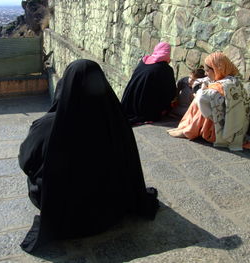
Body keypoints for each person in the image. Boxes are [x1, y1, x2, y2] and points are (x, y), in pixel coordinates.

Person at [18, 59, 159, 253]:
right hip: (111, 208)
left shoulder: (47, 126)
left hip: (64, 209)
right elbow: (129, 163)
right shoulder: (116, 121)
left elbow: (26, 162)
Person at [168, 52, 250, 151]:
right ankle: (187, 128)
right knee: (203, 98)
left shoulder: (227, 84)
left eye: (207, 71)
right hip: (225, 121)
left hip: (223, 128)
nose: (206, 73)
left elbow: (203, 98)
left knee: (201, 99)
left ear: (217, 69)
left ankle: (189, 130)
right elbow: (201, 82)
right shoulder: (227, 78)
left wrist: (201, 91)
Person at [121, 42, 176, 126]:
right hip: (145, 108)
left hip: (130, 101)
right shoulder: (166, 69)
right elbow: (170, 92)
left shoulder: (144, 61)